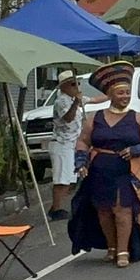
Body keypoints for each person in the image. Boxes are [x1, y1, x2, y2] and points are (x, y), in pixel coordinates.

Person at [68, 61, 140, 267]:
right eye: (121, 93)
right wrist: (81, 161)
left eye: (127, 93)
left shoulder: (137, 118)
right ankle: (111, 246)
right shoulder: (95, 118)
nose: (125, 96)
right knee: (103, 210)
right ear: (110, 95)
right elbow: (83, 141)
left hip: (126, 170)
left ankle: (124, 251)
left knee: (123, 209)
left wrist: (137, 149)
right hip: (99, 170)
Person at [48, 70, 83, 220]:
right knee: (62, 178)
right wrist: (76, 103)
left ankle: (59, 206)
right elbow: (68, 118)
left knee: (70, 177)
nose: (77, 87)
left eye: (77, 84)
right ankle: (56, 208)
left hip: (72, 143)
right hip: (62, 143)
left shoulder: (73, 98)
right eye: (73, 84)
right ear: (64, 86)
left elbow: (94, 100)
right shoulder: (61, 101)